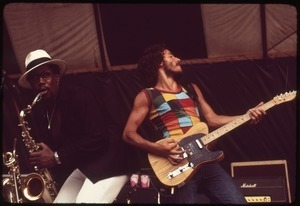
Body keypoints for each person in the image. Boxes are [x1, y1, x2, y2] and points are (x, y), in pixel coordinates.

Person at [122, 43, 266, 204]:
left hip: (206, 162)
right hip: (179, 164)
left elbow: (212, 119)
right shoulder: (147, 95)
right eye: (171, 55)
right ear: (159, 63)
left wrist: (246, 115)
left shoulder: (191, 89)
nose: (178, 59)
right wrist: (159, 149)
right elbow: (128, 134)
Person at [17, 49, 131, 203]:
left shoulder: (79, 96)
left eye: (45, 75)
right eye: (34, 78)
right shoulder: (43, 109)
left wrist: (56, 156)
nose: (40, 82)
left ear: (57, 77)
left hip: (111, 163)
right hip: (87, 165)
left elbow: (99, 138)